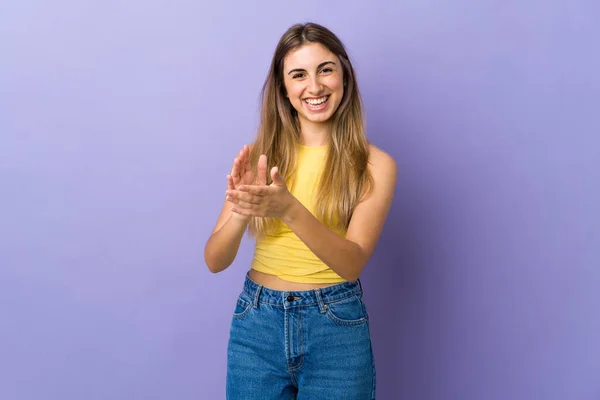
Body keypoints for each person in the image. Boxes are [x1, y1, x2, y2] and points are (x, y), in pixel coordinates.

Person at [204, 22, 396, 400]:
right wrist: (243, 209)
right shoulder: (260, 157)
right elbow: (214, 260)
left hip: (335, 327)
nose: (315, 87)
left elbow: (352, 263)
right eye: (298, 75)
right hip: (257, 325)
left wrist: (288, 208)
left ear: (344, 74)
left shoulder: (375, 165)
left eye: (325, 69)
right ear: (283, 88)